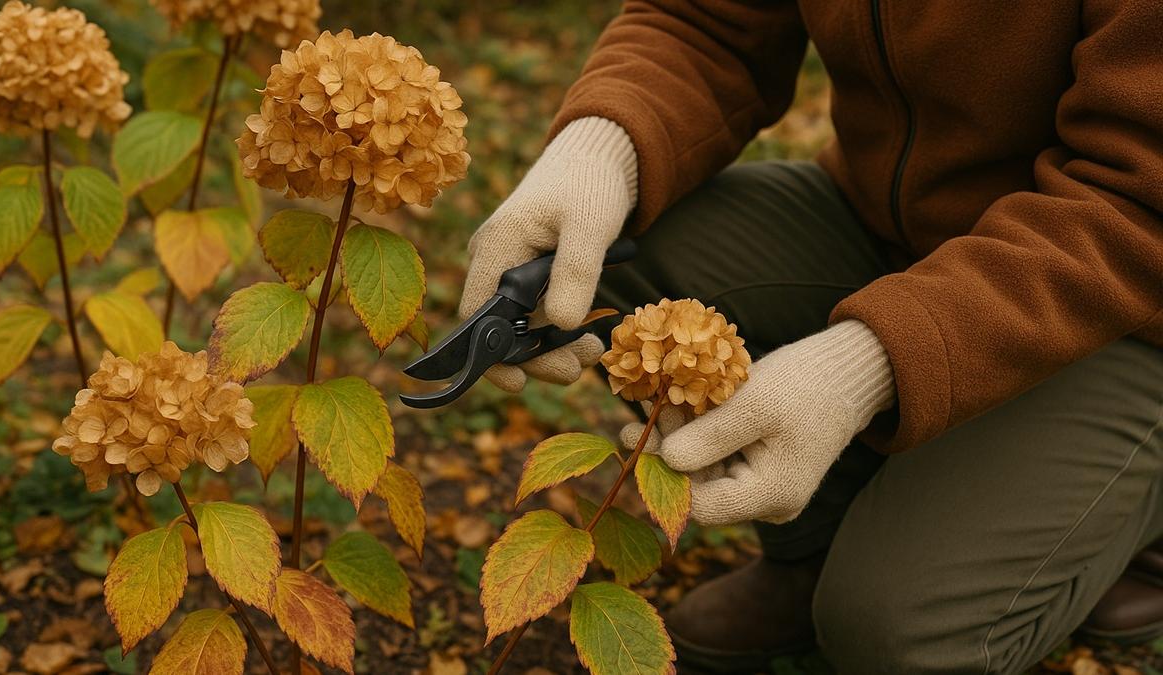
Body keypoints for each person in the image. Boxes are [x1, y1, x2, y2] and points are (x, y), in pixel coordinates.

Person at [458, 1, 1163, 673]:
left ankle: (1126, 513)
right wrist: (600, 147)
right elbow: (705, 22)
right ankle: (818, 549)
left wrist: (866, 363)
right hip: (888, 228)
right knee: (611, 275)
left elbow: (1139, 193)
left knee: (896, 637)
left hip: (1121, 295)